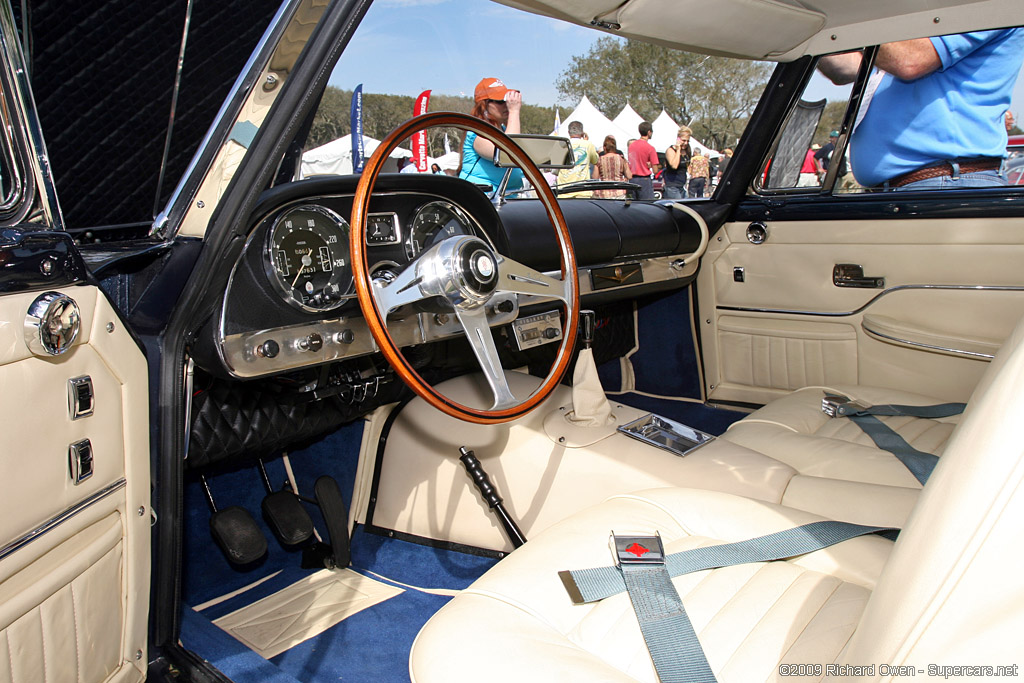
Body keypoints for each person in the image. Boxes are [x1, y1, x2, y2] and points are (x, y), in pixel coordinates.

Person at [817, 29, 1024, 190]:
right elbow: (847, 67)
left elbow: (909, 60)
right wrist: (814, 28)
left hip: (944, 184)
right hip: (924, 185)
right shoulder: (918, 22)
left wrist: (846, 16)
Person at [458, 77, 525, 192]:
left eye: (506, 100)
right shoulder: (478, 131)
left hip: (507, 199)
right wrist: (514, 112)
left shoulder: (504, 130)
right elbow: (506, 153)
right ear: (484, 105)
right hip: (480, 199)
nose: (507, 105)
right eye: (500, 101)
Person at [557, 120, 600, 197]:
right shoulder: (588, 144)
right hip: (582, 191)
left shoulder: (561, 145)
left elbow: (555, 168)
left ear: (568, 132)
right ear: (582, 133)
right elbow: (596, 160)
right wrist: (586, 141)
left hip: (564, 191)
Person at [627, 121, 660, 199]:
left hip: (633, 179)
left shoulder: (631, 146)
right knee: (647, 205)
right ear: (649, 132)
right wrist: (651, 165)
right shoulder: (650, 148)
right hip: (644, 179)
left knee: (634, 206)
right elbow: (655, 170)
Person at [663, 126, 692, 198]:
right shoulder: (671, 150)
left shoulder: (687, 150)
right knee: (678, 207)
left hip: (682, 186)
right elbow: (674, 165)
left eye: (688, 141)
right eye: (683, 140)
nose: (685, 143)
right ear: (678, 139)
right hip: (672, 186)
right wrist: (678, 149)